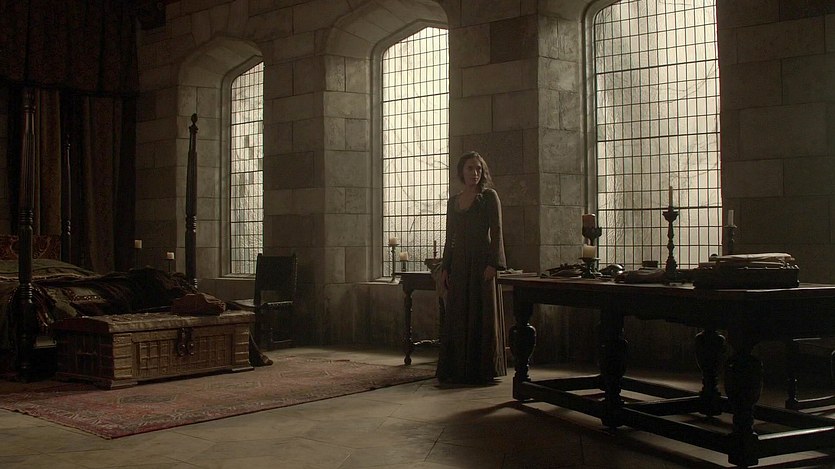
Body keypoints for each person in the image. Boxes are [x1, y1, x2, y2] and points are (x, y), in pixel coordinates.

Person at [437, 151, 507, 384]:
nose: (474, 173)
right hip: (459, 263)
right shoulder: (453, 202)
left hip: (481, 262)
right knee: (458, 312)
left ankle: (482, 369)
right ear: (462, 171)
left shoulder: (489, 197)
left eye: (478, 169)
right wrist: (446, 267)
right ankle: (458, 368)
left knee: (481, 313)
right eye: (470, 168)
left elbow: (497, 231)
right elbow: (450, 237)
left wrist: (494, 264)